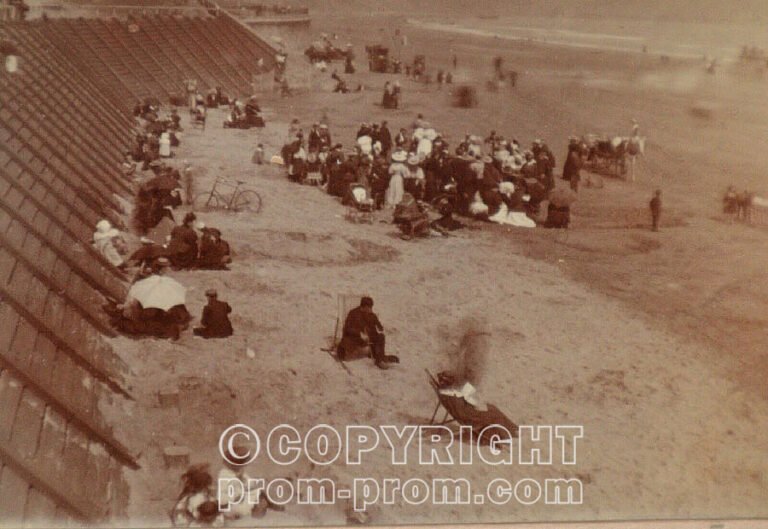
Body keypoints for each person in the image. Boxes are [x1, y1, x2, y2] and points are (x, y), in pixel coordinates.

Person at [338, 296, 399, 368]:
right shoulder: (353, 313)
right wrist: (359, 333)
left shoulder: (370, 314)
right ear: (365, 307)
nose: (371, 309)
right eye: (370, 307)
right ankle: (380, 358)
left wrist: (380, 328)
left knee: (381, 336)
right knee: (347, 344)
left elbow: (379, 325)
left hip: (367, 337)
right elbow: (347, 328)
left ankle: (380, 359)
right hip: (354, 338)